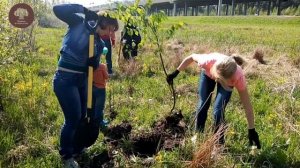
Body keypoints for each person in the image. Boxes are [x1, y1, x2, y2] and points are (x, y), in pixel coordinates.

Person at [52, 4, 118, 168]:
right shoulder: (79, 22)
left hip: (82, 80)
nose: (110, 34)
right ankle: (66, 155)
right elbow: (57, 10)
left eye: (113, 31)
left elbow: (92, 67)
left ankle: (77, 148)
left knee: (82, 116)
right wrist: (83, 10)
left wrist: (95, 62)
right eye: (110, 29)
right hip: (65, 80)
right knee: (73, 118)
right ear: (103, 21)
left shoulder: (97, 42)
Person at [167, 52, 261, 148]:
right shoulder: (207, 61)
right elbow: (191, 57)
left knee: (218, 111)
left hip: (226, 79)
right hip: (209, 73)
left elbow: (247, 105)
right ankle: (198, 135)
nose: (218, 80)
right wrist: (176, 72)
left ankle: (219, 143)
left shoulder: (238, 76)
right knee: (202, 105)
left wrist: (251, 129)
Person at [92, 63, 109, 128]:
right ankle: (99, 122)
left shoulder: (89, 65)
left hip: (92, 88)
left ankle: (96, 120)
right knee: (99, 107)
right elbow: (106, 77)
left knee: (93, 106)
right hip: (100, 89)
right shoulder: (102, 66)